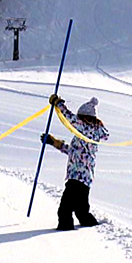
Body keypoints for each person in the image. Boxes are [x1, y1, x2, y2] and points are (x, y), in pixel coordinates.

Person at [40, 94, 110, 230]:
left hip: (77, 177)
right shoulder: (90, 134)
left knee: (65, 210)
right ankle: (93, 227)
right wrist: (55, 143)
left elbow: (70, 118)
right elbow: (75, 152)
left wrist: (58, 104)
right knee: (81, 211)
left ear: (84, 117)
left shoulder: (85, 128)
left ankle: (65, 231)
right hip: (85, 179)